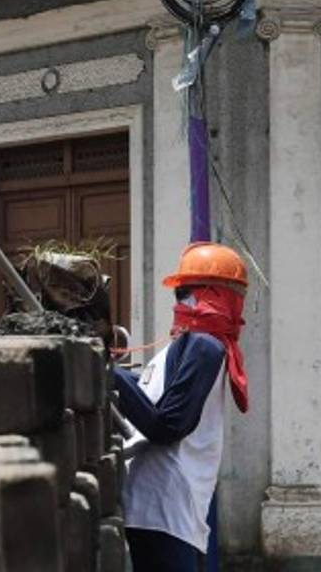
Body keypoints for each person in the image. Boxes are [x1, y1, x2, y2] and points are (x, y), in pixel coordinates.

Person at [113, 242, 250, 572]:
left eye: (184, 293)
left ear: (210, 295)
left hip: (167, 506)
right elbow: (156, 408)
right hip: (161, 506)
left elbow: (168, 425)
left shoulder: (204, 346)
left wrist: (111, 373)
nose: (180, 302)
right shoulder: (190, 346)